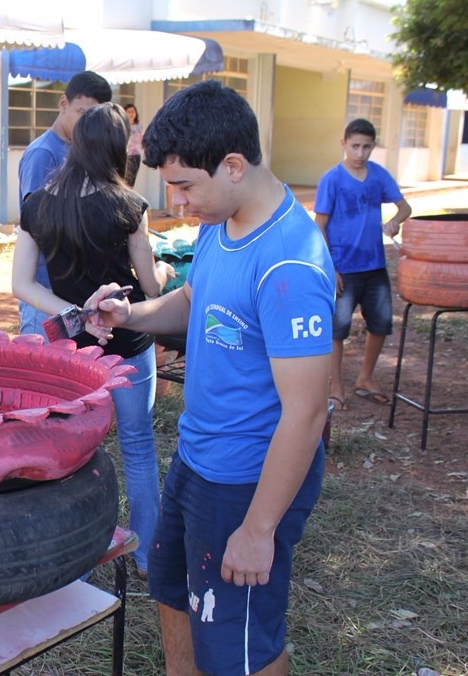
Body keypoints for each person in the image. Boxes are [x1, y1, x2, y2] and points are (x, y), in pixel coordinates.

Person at [84, 80, 334, 676]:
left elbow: (306, 414)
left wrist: (259, 527)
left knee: (242, 641)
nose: (176, 201)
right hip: (199, 458)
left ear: (232, 165)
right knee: (173, 591)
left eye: (185, 185)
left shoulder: (289, 266)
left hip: (248, 480)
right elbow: (197, 300)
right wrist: (132, 313)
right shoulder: (221, 224)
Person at [11, 102, 175, 579]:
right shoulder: (129, 206)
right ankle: (147, 555)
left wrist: (72, 314)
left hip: (73, 351)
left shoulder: (37, 204)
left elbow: (22, 284)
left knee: (73, 455)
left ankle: (75, 563)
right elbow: (149, 285)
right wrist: (163, 268)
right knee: (139, 447)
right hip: (127, 342)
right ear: (120, 147)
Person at [314, 118, 411, 411]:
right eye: (355, 146)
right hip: (344, 267)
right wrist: (331, 267)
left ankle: (365, 379)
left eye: (366, 147)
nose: (360, 153)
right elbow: (319, 226)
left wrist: (395, 221)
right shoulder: (332, 179)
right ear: (344, 144)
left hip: (375, 266)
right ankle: (335, 387)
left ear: (373, 147)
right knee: (337, 330)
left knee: (380, 324)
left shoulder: (379, 176)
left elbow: (404, 207)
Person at [16, 70, 113, 338]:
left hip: (68, 290)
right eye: (82, 113)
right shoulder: (42, 153)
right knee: (43, 369)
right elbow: (36, 223)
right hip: (43, 290)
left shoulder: (78, 150)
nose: (87, 124)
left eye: (95, 118)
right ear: (63, 104)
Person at [124, 103, 143, 187]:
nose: (131, 114)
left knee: (131, 181)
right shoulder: (122, 125)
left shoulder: (139, 125)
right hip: (125, 155)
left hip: (135, 155)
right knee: (124, 180)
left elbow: (141, 140)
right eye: (129, 111)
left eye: (133, 111)